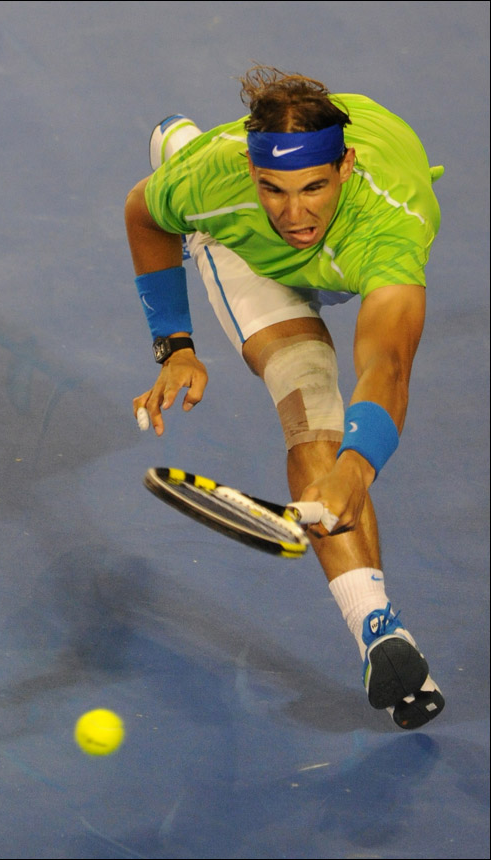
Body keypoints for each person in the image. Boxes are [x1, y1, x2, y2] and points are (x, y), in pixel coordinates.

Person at [124, 65, 445, 730]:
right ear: (251, 170)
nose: (294, 214)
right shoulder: (219, 183)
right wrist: (175, 345)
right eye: (273, 187)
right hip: (248, 253)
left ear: (345, 167)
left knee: (345, 434)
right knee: (309, 397)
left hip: (352, 249)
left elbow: (386, 362)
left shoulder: (392, 223)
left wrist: (358, 466)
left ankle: (181, 140)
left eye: (313, 187)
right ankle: (378, 629)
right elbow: (143, 214)